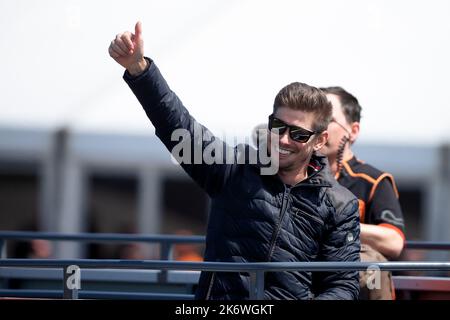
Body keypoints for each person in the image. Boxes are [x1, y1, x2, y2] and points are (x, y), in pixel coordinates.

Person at [108, 22, 361, 300]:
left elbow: (342, 286)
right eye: (279, 126)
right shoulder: (235, 167)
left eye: (299, 134)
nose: (285, 139)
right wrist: (139, 69)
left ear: (320, 140)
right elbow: (178, 128)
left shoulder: (340, 203)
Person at [319, 86, 406, 299]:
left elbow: (394, 242)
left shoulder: (373, 180)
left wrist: (337, 224)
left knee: (371, 266)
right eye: (314, 119)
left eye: (327, 119)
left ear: (353, 131)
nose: (318, 128)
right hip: (308, 274)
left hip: (354, 279)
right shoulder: (292, 177)